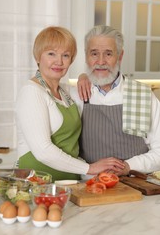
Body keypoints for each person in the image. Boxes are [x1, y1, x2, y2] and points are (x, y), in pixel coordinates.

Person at [15, 26, 125, 182]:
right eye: (51, 53)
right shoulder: (31, 92)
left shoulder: (66, 92)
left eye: (65, 55)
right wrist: (90, 168)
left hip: (68, 184)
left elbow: (99, 91)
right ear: (38, 57)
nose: (59, 61)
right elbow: (43, 151)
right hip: (37, 185)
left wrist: (83, 76)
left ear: (71, 60)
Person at [70, 25, 160, 176]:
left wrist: (127, 166)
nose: (100, 61)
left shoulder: (143, 95)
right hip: (90, 185)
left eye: (108, 54)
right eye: (94, 54)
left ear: (120, 56)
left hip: (136, 186)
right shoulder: (76, 95)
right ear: (86, 56)